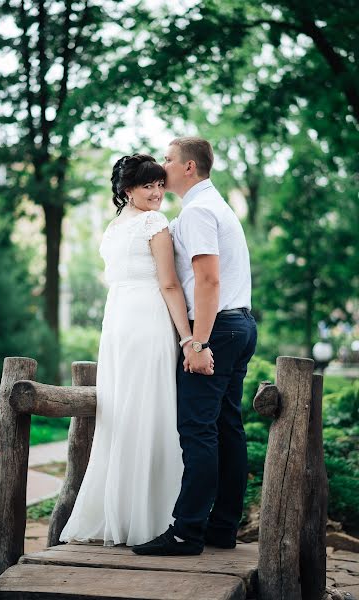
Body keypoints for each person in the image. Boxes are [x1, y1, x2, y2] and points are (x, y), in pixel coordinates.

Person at [59, 154, 207, 547]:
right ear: (128, 190)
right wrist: (188, 337)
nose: (158, 193)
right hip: (148, 322)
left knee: (124, 411)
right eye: (149, 186)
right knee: (152, 410)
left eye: (161, 184)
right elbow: (170, 285)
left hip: (118, 323)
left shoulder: (114, 226)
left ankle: (122, 513)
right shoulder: (154, 223)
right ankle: (152, 518)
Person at [132, 137, 257, 556]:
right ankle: (222, 529)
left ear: (188, 168)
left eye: (167, 160)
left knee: (198, 431)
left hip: (217, 329)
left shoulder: (199, 212)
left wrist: (197, 341)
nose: (162, 166)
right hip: (240, 325)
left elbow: (208, 281)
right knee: (226, 429)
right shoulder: (215, 205)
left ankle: (186, 532)